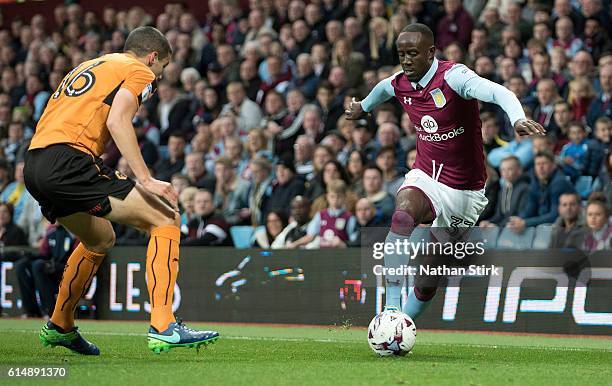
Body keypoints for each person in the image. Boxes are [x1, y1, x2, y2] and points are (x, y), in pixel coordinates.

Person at [23, 27, 218, 355]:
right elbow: (118, 120)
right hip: (69, 159)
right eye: (163, 68)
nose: (159, 76)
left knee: (100, 238)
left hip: (35, 164)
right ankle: (163, 324)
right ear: (153, 57)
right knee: (166, 214)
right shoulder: (139, 70)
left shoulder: (90, 65)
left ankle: (60, 324)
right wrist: (145, 178)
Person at [345, 23, 544, 321]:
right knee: (402, 214)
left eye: (413, 53)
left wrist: (517, 118)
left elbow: (499, 92)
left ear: (430, 52)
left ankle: (406, 323)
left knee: (427, 281)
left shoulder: (454, 78)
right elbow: (383, 88)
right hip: (425, 174)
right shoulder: (401, 82)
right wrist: (363, 107)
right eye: (402, 54)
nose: (407, 60)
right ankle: (391, 311)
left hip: (465, 191)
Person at [507, 152, 576, 234]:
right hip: (543, 227)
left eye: (544, 163)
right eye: (537, 164)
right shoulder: (535, 182)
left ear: (553, 165)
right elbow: (529, 209)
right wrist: (517, 221)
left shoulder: (559, 183)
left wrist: (526, 223)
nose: (541, 168)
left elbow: (555, 215)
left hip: (561, 228)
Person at [288, 180, 357, 248]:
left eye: (339, 196)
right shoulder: (320, 215)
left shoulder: (349, 217)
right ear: (327, 196)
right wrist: (294, 244)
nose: (335, 200)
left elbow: (353, 241)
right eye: (332, 196)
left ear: (344, 197)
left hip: (342, 256)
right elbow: (310, 236)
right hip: (322, 255)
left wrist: (343, 244)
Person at [479, 156, 530, 228]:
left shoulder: (525, 189)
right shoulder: (503, 189)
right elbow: (499, 215)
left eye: (509, 169)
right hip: (505, 229)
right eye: (503, 170)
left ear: (519, 170)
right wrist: (488, 222)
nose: (505, 173)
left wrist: (497, 225)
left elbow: (519, 216)